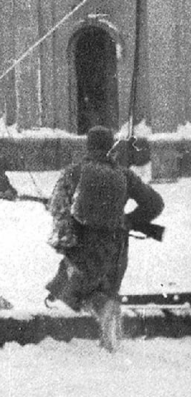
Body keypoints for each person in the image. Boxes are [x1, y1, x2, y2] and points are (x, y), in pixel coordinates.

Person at [45, 125, 164, 351]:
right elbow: (155, 204)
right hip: (116, 246)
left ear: (88, 145)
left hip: (84, 245)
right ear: (111, 146)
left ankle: (104, 316)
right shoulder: (124, 175)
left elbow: (59, 207)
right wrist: (129, 219)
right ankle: (108, 336)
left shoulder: (75, 172)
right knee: (107, 289)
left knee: (74, 290)